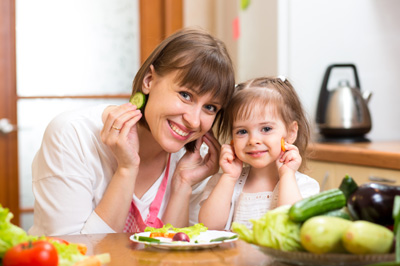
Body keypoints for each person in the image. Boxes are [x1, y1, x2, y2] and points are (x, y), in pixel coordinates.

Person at [29, 27, 235, 236]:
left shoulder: (191, 163)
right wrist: (126, 170)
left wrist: (183, 184)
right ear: (149, 80)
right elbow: (74, 252)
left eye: (210, 107)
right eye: (185, 95)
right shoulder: (72, 135)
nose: (193, 121)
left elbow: (175, 255)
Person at [198, 76, 320, 230]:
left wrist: (287, 175)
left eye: (266, 129)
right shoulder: (224, 183)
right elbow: (208, 226)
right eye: (242, 131)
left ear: (291, 132)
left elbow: (290, 226)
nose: (253, 140)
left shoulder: (303, 186)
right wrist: (229, 177)